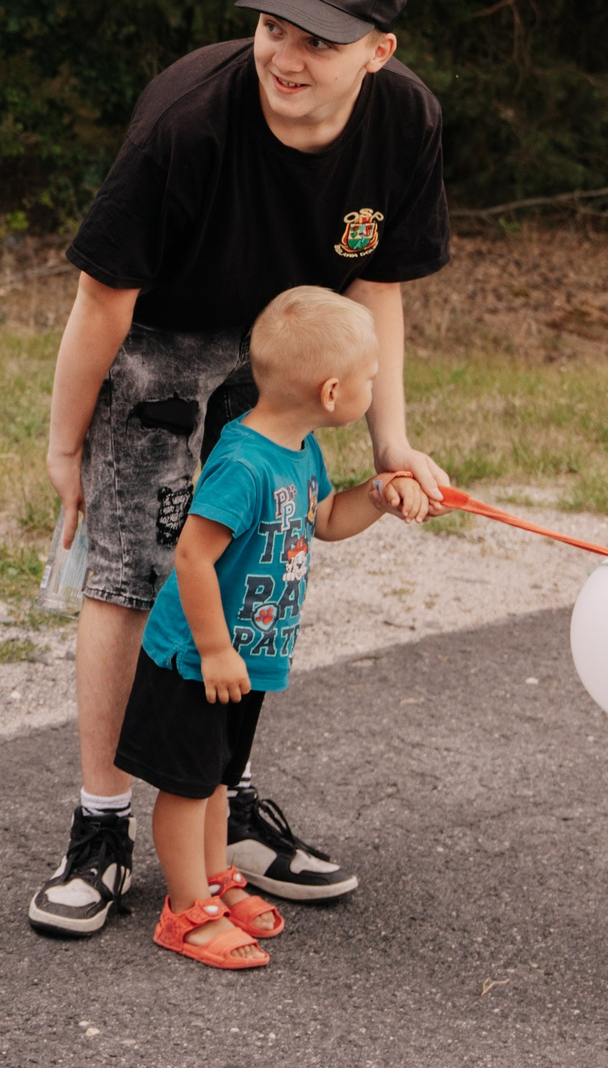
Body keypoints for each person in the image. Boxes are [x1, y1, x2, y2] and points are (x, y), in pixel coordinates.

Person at [28, 0, 451, 937]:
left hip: (286, 340)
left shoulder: (404, 120)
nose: (286, 56)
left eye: (319, 40)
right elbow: (102, 300)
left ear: (378, 51)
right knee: (133, 571)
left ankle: (224, 801)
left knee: (259, 553)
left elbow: (376, 282)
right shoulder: (186, 122)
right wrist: (66, 442)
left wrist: (388, 442)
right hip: (159, 334)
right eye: (274, 27)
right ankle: (100, 827)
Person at [112, 287, 430, 969]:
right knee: (187, 786)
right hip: (196, 658)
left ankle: (214, 881)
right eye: (371, 378)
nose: (376, 388)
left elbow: (326, 520)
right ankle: (185, 911)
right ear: (333, 390)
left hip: (243, 658)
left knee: (217, 780)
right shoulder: (243, 462)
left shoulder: (301, 450)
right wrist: (215, 649)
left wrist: (378, 495)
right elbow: (193, 556)